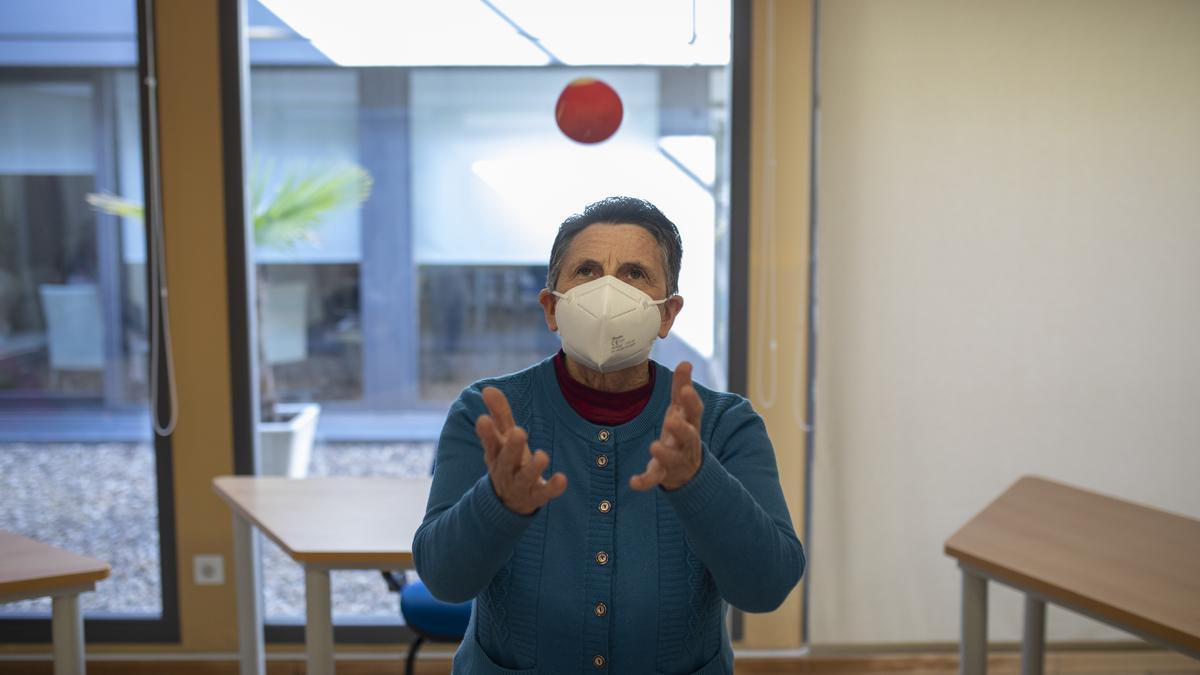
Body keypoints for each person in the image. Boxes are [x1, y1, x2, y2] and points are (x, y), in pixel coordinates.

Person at [413, 196, 805, 674]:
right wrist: (498, 502)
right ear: (551, 307)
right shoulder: (490, 416)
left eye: (635, 274)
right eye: (587, 270)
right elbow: (444, 580)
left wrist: (697, 480)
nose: (607, 291)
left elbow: (766, 588)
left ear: (668, 314)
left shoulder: (725, 424)